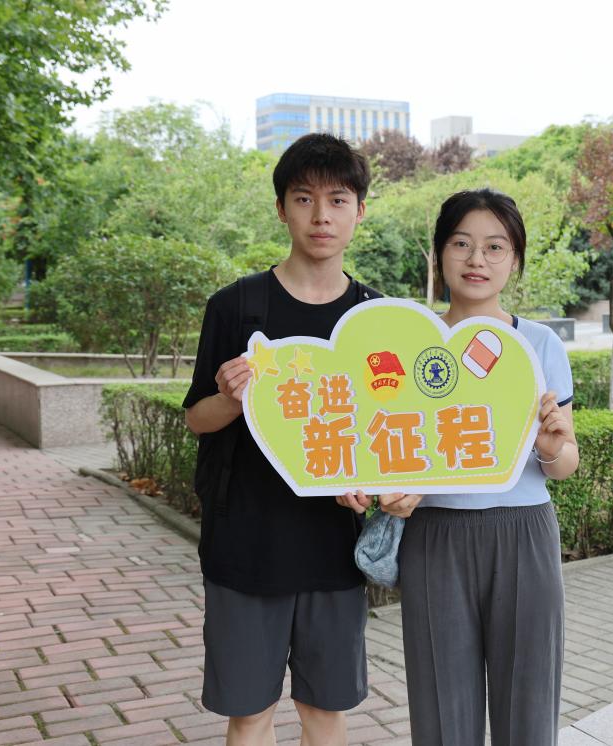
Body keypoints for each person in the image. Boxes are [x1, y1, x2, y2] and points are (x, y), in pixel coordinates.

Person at [338, 188, 580, 745]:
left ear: (514, 260)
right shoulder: (407, 343)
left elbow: (564, 463)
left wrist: (551, 445)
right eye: (461, 244)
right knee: (442, 707)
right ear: (439, 254)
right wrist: (376, 487)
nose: (477, 260)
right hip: (435, 535)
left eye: (495, 247)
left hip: (524, 535)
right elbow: (383, 439)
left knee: (529, 702)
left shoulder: (539, 344)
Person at [183, 133, 380, 746]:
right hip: (246, 543)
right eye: (303, 198)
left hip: (334, 548)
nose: (321, 216)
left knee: (326, 711)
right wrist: (231, 397)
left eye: (338, 200)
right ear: (281, 209)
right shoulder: (236, 307)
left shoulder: (375, 319)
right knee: (250, 714)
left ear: (359, 212)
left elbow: (388, 436)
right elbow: (197, 418)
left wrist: (373, 487)